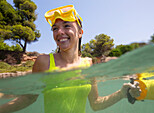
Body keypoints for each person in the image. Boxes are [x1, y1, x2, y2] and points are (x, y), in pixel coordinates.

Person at [0, 5, 140, 113]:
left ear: (80, 33)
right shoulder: (44, 62)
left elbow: (96, 103)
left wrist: (122, 93)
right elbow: (29, 97)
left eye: (66, 26)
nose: (59, 32)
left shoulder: (89, 64)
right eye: (55, 28)